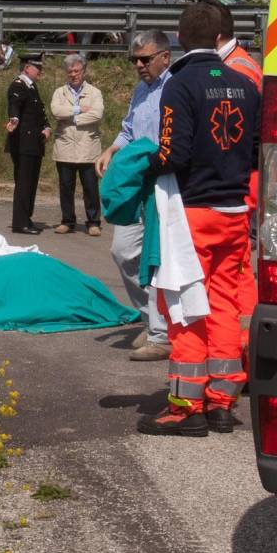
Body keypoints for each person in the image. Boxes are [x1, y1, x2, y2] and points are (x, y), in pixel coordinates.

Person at [137, 2, 260, 437]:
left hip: (193, 213)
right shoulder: (245, 84)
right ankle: (222, 401)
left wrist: (144, 166)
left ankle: (186, 404)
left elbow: (175, 153)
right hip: (234, 211)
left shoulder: (180, 84)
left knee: (183, 305)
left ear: (179, 38)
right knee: (225, 301)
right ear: (220, 36)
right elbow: (257, 147)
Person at [94, 30, 175, 361]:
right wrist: (113, 148)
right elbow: (129, 129)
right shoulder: (142, 91)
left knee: (156, 259)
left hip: (164, 182)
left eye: (145, 58)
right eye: (135, 60)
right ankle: (152, 318)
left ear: (165, 57)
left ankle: (162, 334)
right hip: (137, 184)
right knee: (123, 251)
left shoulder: (176, 88)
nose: (139, 65)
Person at [212, 4, 262, 374]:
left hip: (241, 184)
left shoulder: (239, 70)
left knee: (239, 272)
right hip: (241, 181)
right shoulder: (237, 65)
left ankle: (244, 352)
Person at [49, 53, 103, 236]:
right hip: (65, 146)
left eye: (77, 70)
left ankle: (93, 222)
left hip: (88, 146)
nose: (73, 74)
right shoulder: (59, 92)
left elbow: (97, 114)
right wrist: (79, 109)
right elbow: (56, 111)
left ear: (84, 71)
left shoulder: (95, 93)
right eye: (70, 71)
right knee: (66, 187)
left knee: (90, 187)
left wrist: (72, 118)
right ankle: (67, 221)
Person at [5, 53, 50, 235]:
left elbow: (39, 113)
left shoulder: (32, 87)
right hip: (23, 143)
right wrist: (14, 119)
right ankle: (20, 223)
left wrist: (46, 127)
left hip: (34, 143)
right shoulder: (18, 85)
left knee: (31, 183)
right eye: (37, 67)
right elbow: (14, 105)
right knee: (24, 183)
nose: (40, 71)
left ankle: (26, 218)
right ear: (27, 68)